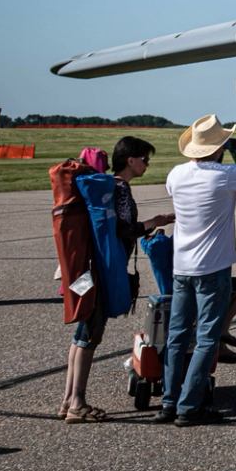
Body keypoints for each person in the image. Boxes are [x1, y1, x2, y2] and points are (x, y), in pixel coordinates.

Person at [162, 115, 236, 423]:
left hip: (181, 266)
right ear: (218, 148)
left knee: (177, 336)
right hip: (212, 267)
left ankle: (169, 401)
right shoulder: (225, 174)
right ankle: (189, 407)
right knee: (206, 338)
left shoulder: (176, 174)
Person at [60, 136, 173, 422]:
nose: (147, 164)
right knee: (90, 336)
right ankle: (77, 404)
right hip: (103, 270)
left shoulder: (108, 187)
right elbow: (124, 229)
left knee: (81, 335)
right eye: (144, 159)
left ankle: (68, 400)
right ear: (130, 159)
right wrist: (155, 221)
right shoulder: (120, 189)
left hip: (89, 269)